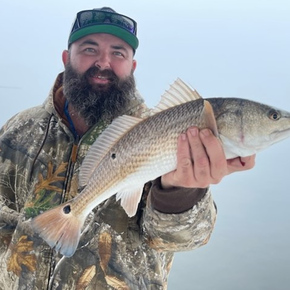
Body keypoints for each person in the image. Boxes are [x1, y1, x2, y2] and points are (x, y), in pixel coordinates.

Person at [0, 7, 255, 290]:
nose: (104, 62)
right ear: (65, 58)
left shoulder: (166, 132)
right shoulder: (19, 129)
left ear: (132, 67)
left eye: (118, 53)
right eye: (89, 49)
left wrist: (180, 193)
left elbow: (184, 239)